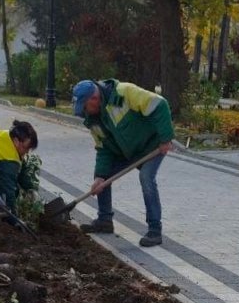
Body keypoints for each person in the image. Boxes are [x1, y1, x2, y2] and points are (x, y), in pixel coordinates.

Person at [71, 78, 174, 247]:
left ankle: (154, 230)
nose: (84, 111)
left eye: (84, 106)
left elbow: (160, 104)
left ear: (94, 99)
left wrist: (165, 138)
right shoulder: (93, 119)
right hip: (125, 151)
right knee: (103, 177)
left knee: (146, 178)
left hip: (152, 145)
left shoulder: (124, 93)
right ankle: (105, 220)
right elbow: (103, 148)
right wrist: (100, 176)